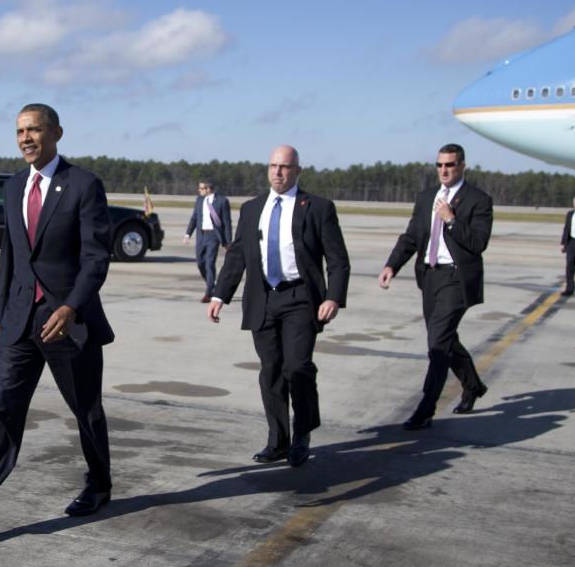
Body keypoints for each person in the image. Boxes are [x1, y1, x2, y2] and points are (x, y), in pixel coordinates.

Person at [0, 104, 115, 539]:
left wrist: (70, 307)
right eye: (19, 131)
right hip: (18, 322)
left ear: (56, 133)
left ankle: (100, 484)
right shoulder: (13, 187)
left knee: (85, 409)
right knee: (1, 408)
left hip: (67, 322)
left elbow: (95, 258)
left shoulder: (83, 184)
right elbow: (10, 258)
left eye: (33, 129)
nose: (25, 137)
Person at [207, 145, 350, 467]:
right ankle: (278, 441)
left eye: (285, 167)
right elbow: (238, 255)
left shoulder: (318, 208)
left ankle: (302, 433)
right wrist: (220, 295)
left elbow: (338, 260)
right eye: (273, 166)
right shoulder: (252, 208)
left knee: (297, 367)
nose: (278, 172)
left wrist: (333, 297)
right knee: (270, 371)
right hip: (263, 298)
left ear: (297, 170)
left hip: (301, 298)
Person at [378, 143, 493, 429]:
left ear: (462, 166)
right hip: (430, 277)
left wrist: (451, 220)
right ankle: (473, 385)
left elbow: (478, 244)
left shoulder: (478, 200)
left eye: (450, 165)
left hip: (457, 279)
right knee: (445, 338)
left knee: (437, 342)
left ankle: (425, 409)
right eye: (440, 165)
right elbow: (412, 237)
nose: (444, 170)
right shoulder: (426, 197)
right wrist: (392, 265)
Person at [184, 178, 232, 302]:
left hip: (213, 237)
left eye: (201, 188)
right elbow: (194, 218)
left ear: (208, 189)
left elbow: (227, 223)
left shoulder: (222, 201)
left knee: (209, 264)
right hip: (201, 236)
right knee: (200, 263)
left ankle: (208, 293)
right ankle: (212, 287)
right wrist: (188, 234)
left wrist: (227, 242)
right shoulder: (199, 200)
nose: (199, 190)